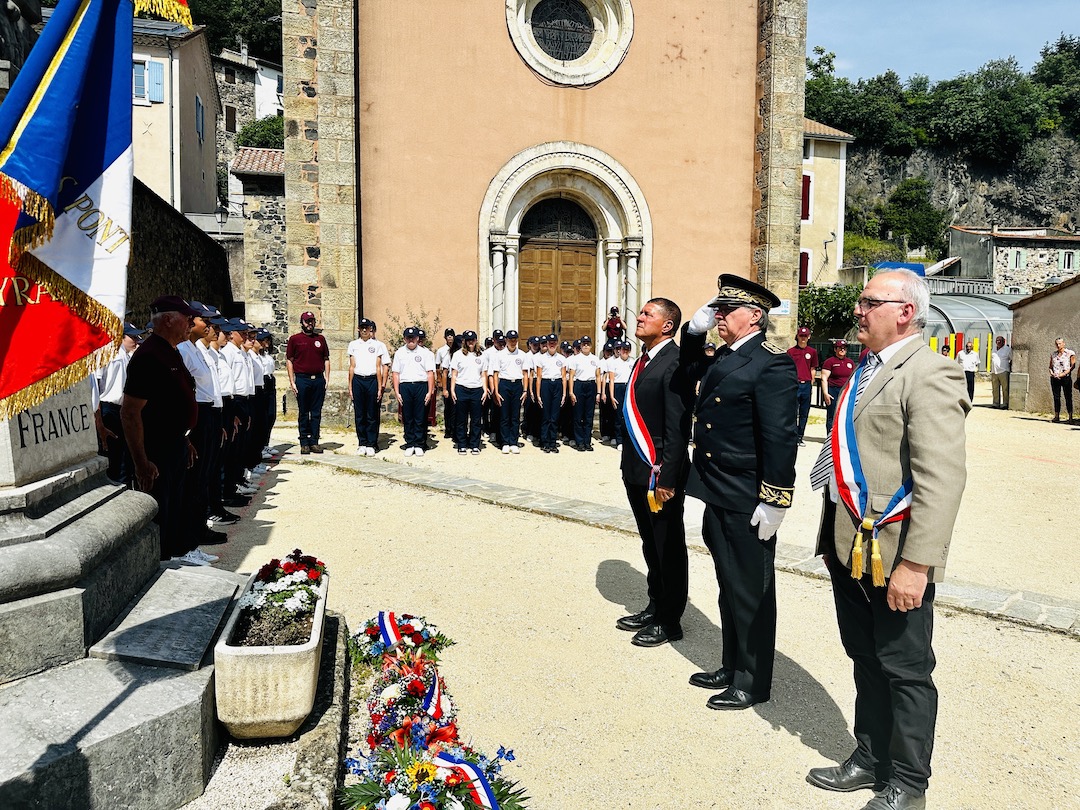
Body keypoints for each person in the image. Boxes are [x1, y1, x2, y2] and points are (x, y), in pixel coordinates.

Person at [808, 269, 969, 810]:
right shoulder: (864, 369)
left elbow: (941, 478)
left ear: (905, 311)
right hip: (850, 544)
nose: (858, 309)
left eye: (869, 301)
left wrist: (917, 565)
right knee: (865, 657)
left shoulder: (929, 372)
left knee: (905, 667)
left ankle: (908, 782)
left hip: (894, 552)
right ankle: (870, 756)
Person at [681, 274, 798, 711]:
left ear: (754, 317)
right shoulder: (726, 356)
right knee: (728, 585)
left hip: (748, 494)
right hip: (718, 489)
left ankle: (752, 679)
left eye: (726, 311)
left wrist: (775, 499)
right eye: (717, 309)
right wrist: (692, 334)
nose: (718, 317)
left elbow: (780, 437)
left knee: (751, 589)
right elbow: (688, 371)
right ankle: (732, 664)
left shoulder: (771, 363)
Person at [617, 298, 691, 649]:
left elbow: (677, 427)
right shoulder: (644, 359)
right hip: (636, 469)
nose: (639, 316)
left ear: (667, 325)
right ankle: (655, 604)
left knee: (668, 545)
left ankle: (670, 620)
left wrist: (669, 478)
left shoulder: (673, 362)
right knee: (651, 543)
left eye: (648, 313)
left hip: (658, 474)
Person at [120, 296, 202, 564]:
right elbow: (131, 412)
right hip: (156, 449)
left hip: (174, 444)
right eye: (186, 317)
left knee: (175, 507)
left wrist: (184, 439)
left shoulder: (170, 350)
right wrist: (141, 461)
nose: (191, 323)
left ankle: (170, 557)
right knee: (159, 511)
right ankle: (158, 565)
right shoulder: (149, 356)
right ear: (168, 319)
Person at [178, 302, 227, 551]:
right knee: (195, 478)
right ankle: (191, 536)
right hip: (197, 415)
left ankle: (198, 531)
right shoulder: (183, 350)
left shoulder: (195, 348)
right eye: (203, 320)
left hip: (207, 412)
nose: (208, 325)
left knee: (203, 476)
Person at [93, 323, 142, 485]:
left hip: (123, 409)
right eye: (132, 336)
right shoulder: (106, 350)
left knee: (124, 458)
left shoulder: (126, 355)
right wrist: (99, 418)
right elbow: (97, 386)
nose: (135, 340)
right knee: (114, 458)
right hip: (108, 409)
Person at [286, 311, 330, 453]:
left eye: (311, 321)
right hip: (302, 379)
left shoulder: (321, 339)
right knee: (304, 412)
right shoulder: (295, 339)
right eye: (306, 321)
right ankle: (304, 441)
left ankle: (314, 441)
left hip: (318, 379)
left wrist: (327, 378)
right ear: (302, 323)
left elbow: (326, 359)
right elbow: (289, 360)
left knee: (316, 412)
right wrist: (292, 381)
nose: (309, 324)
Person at [392, 326, 436, 456]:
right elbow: (395, 373)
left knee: (420, 416)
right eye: (408, 337)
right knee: (408, 416)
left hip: (420, 385)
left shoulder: (425, 353)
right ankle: (410, 443)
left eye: (413, 337)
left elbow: (430, 373)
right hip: (405, 386)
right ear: (405, 339)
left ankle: (419, 443)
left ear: (418, 338)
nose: (411, 340)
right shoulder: (399, 353)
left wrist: (429, 391)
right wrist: (397, 391)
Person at [347, 318, 383, 456]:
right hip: (358, 380)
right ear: (358, 329)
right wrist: (350, 386)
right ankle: (362, 442)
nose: (364, 330)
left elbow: (378, 366)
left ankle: (371, 443)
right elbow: (351, 366)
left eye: (366, 328)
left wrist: (379, 387)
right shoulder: (353, 344)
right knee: (360, 413)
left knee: (371, 413)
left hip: (372, 379)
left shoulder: (377, 345)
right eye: (362, 328)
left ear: (370, 329)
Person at [493, 329, 531, 454]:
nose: (513, 342)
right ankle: (504, 442)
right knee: (504, 415)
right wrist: (496, 391)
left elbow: (525, 373)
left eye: (515, 339)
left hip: (517, 385)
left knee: (515, 415)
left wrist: (525, 390)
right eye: (510, 339)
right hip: (504, 384)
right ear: (506, 340)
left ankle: (513, 442)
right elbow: (496, 374)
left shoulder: (522, 355)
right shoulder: (499, 355)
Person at [450, 330, 485, 454]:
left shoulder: (481, 355)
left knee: (476, 419)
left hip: (476, 389)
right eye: (468, 340)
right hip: (461, 388)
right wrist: (452, 390)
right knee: (461, 419)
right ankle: (462, 444)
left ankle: (474, 444)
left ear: (476, 341)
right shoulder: (458, 355)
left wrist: (485, 390)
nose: (471, 342)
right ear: (464, 341)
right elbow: (454, 374)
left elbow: (483, 375)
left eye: (473, 340)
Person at [533, 334, 567, 453]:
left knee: (554, 416)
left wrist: (564, 394)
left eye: (554, 342)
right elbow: (539, 377)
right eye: (550, 342)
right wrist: (538, 394)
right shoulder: (541, 358)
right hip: (546, 385)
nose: (552, 344)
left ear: (557, 344)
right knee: (546, 416)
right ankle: (544, 442)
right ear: (546, 344)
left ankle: (553, 442)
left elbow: (563, 377)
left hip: (557, 385)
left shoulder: (562, 359)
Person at [568, 335, 602, 451]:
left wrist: (598, 392)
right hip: (579, 385)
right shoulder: (575, 359)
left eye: (588, 344)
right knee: (578, 415)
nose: (586, 346)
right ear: (580, 345)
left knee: (589, 416)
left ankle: (587, 441)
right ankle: (579, 442)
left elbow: (598, 376)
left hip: (591, 385)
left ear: (591, 345)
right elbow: (571, 376)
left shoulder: (595, 359)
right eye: (584, 344)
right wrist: (571, 392)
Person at [787, 326, 819, 446]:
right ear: (797, 336)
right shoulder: (791, 352)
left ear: (809, 337)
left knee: (804, 412)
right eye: (801, 336)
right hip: (795, 385)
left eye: (805, 336)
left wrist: (811, 383)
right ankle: (792, 436)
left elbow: (813, 368)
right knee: (793, 412)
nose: (803, 338)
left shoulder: (812, 352)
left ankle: (800, 436)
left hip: (806, 385)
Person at [821, 339, 855, 434]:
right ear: (835, 349)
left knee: (844, 415)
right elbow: (824, 378)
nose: (842, 350)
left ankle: (840, 436)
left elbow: (853, 378)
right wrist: (825, 393)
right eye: (840, 348)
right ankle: (830, 437)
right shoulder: (830, 362)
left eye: (844, 348)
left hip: (846, 391)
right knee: (832, 415)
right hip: (833, 390)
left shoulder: (850, 362)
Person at [607, 339, 633, 450]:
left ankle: (628, 439)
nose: (625, 352)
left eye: (627, 350)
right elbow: (611, 380)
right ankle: (619, 440)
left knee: (629, 415)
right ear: (620, 350)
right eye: (623, 349)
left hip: (628, 387)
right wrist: (612, 396)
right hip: (618, 387)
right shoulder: (614, 362)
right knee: (618, 415)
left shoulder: (633, 362)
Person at [435, 328, 456, 439]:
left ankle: (454, 429)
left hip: (456, 380)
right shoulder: (441, 351)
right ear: (445, 337)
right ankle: (448, 429)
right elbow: (438, 367)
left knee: (455, 406)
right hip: (446, 379)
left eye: (451, 335)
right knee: (447, 406)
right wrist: (439, 380)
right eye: (448, 335)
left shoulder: (457, 350)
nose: (450, 337)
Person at [1049, 337, 1075, 423]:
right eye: (1056, 343)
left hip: (1065, 377)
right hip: (1055, 378)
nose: (1058, 345)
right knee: (1056, 397)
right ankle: (1057, 416)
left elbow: (1072, 366)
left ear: (1064, 343)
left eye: (1060, 343)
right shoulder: (1053, 354)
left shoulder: (1070, 353)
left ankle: (1070, 417)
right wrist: (1052, 373)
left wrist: (1064, 373)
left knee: (1068, 396)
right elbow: (1050, 366)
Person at [991, 335, 1011, 409]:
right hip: (994, 371)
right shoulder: (994, 349)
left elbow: (1011, 359)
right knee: (995, 389)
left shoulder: (1007, 349)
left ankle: (1005, 403)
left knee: (1005, 389)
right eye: (997, 341)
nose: (998, 342)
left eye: (1000, 341)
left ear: (1004, 342)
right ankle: (996, 403)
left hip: (1003, 371)